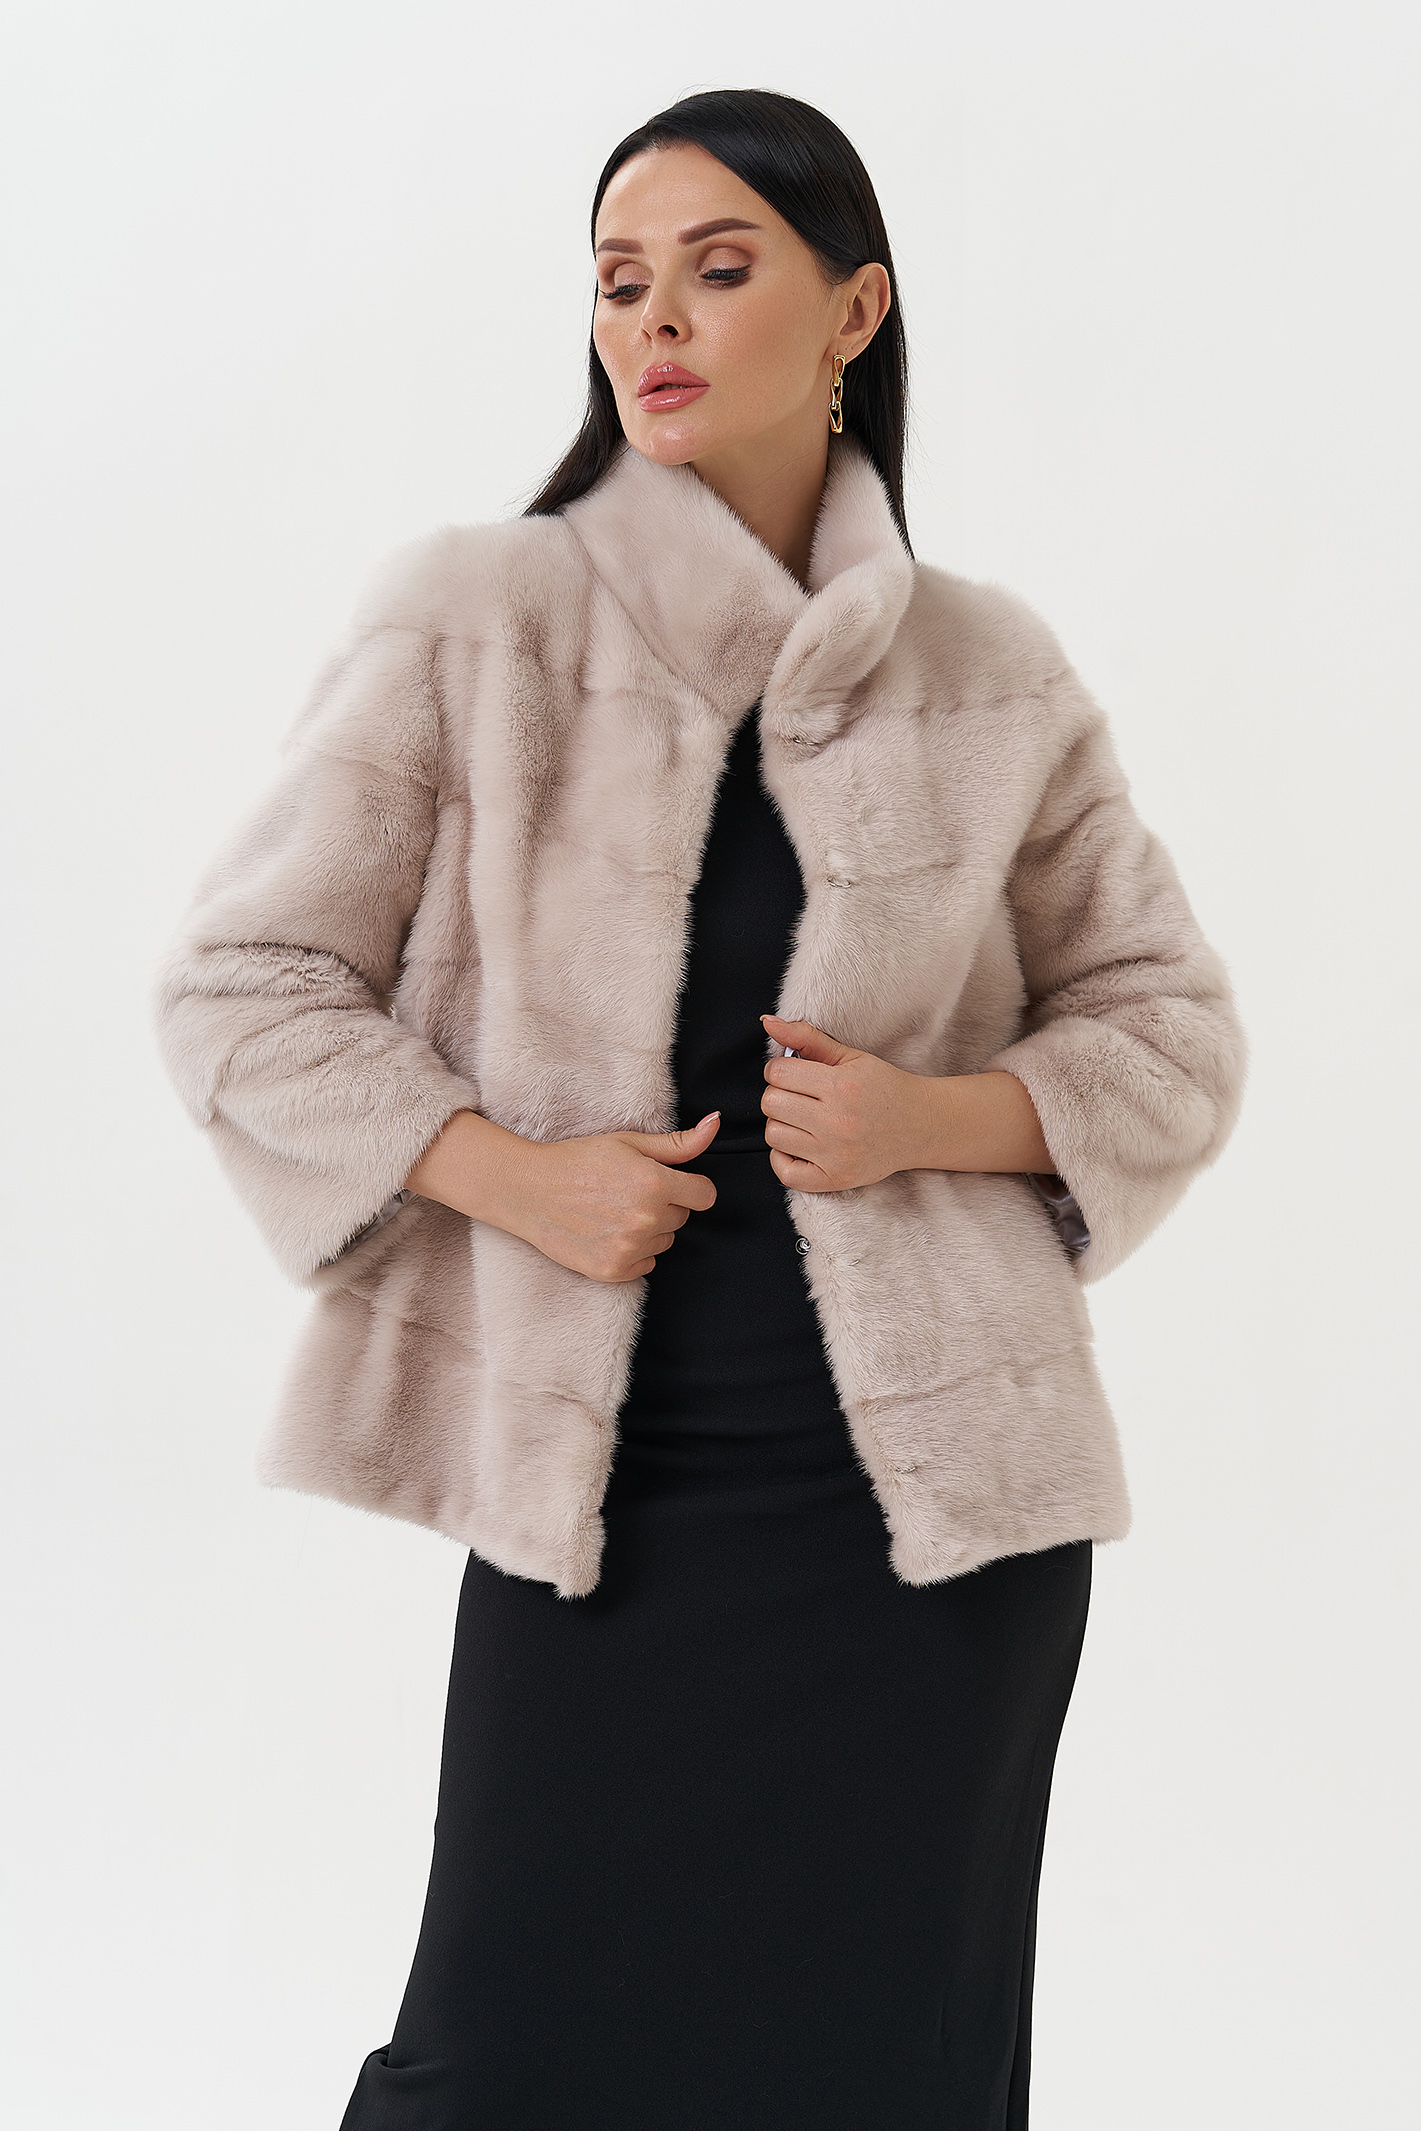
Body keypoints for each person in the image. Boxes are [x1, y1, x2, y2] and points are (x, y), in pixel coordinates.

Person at [156, 87, 1246, 2131]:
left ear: (853, 312)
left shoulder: (987, 671)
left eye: (716, 270)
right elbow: (242, 987)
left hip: (933, 1535)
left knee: (882, 2072)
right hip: (605, 1503)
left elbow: (1167, 1029)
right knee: (496, 2065)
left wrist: (931, 1121)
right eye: (617, 282)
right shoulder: (477, 621)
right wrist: (513, 1178)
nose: (650, 321)